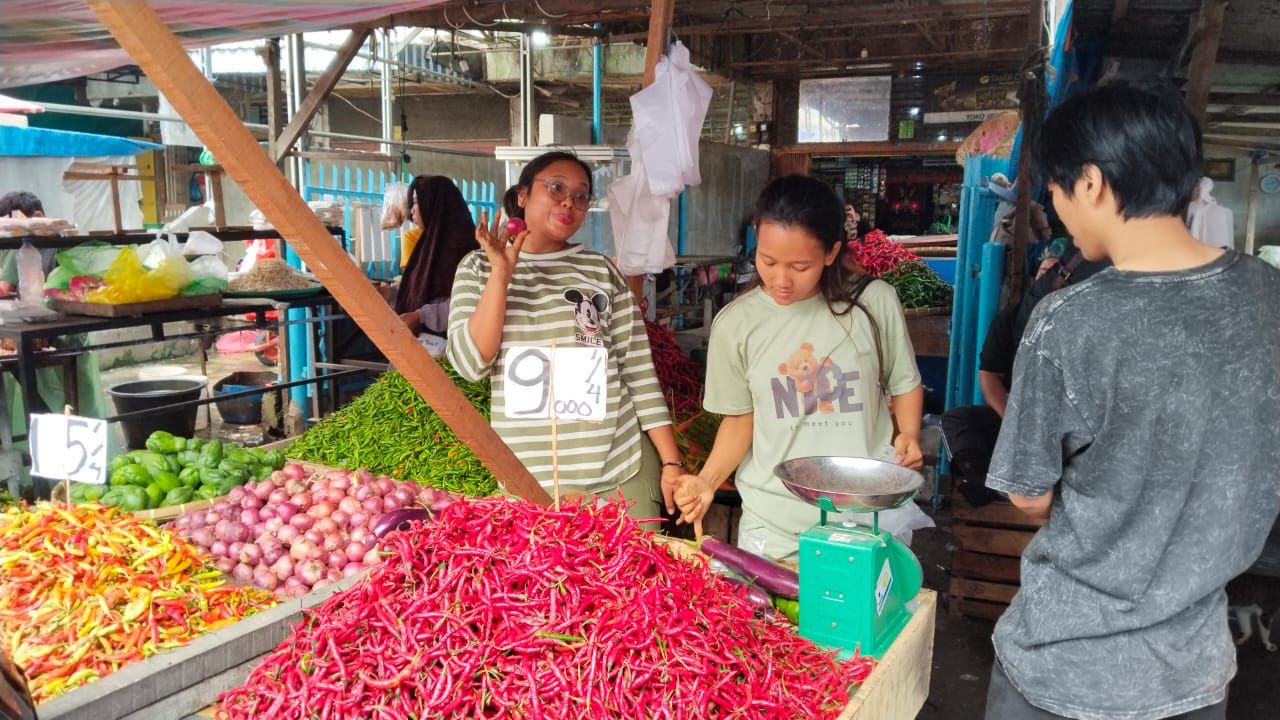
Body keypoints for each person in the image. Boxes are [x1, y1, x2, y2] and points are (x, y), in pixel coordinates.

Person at [982, 81, 1280, 720]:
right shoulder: (1267, 294)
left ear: (1089, 184)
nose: (1058, 209)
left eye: (1056, 192)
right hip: (1194, 671)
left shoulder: (1071, 321)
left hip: (1064, 670)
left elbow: (1028, 495)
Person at [671, 175, 925, 560]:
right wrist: (707, 481)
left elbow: (905, 382)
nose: (781, 280)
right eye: (768, 261)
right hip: (773, 527)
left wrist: (908, 433)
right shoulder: (737, 323)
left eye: (800, 266)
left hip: (865, 521)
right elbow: (741, 420)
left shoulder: (874, 303)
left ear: (830, 251)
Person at [445, 151, 682, 519]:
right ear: (523, 196)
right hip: (525, 478)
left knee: (634, 575)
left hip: (619, 470)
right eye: (555, 187)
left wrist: (671, 464)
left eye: (582, 195)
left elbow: (637, 372)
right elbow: (471, 364)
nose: (569, 201)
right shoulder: (478, 267)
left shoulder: (599, 270)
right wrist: (501, 276)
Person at [943, 246, 1100, 507]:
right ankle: (986, 485)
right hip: (1017, 416)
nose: (1052, 280)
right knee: (957, 420)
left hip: (1066, 430)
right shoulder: (1011, 318)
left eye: (1060, 274)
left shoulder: (1085, 324)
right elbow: (989, 376)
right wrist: (1013, 420)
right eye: (1045, 274)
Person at [391, 176, 477, 354]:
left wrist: (420, 315)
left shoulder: (460, 246)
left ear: (433, 204)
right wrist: (391, 293)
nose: (411, 211)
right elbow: (421, 287)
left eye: (416, 202)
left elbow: (465, 302)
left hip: (449, 350)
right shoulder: (428, 243)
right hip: (424, 344)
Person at [0, 191, 51, 297]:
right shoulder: (7, 242)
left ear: (38, 218)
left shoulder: (19, 246)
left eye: (14, 227)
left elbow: (3, 289)